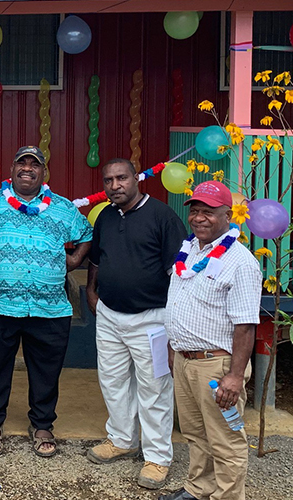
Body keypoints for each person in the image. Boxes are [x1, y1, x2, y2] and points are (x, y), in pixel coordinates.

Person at [0, 145, 92, 459]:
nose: (28, 169)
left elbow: (86, 234)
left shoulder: (62, 208)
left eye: (34, 165)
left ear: (43, 172)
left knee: (46, 369)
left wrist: (72, 261)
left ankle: (43, 424)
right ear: (12, 170)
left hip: (49, 308)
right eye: (22, 163)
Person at [84, 158, 187, 490]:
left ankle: (157, 457)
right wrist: (90, 290)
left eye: (122, 178)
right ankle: (121, 438)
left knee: (154, 388)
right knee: (112, 381)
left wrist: (175, 321)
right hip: (110, 315)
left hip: (152, 318)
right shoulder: (106, 217)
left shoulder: (163, 217)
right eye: (109, 180)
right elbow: (97, 259)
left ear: (136, 179)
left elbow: (180, 274)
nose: (115, 186)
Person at [159, 180, 261, 500]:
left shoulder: (241, 262)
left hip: (217, 368)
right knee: (195, 434)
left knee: (226, 439)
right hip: (186, 360)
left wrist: (234, 376)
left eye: (209, 212)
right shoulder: (190, 251)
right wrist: (173, 348)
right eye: (195, 211)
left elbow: (245, 325)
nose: (199, 218)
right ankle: (198, 489)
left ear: (228, 215)